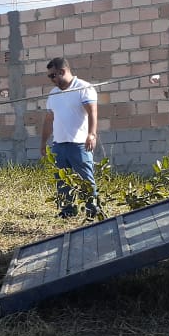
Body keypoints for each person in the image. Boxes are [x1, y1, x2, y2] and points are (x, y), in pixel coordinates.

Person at [41, 57, 101, 219]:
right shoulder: (53, 94)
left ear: (62, 72)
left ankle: (92, 208)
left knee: (86, 178)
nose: (51, 80)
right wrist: (43, 142)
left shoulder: (83, 88)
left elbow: (92, 112)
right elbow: (49, 119)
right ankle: (68, 210)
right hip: (59, 145)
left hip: (79, 144)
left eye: (52, 76)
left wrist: (91, 134)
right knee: (62, 180)